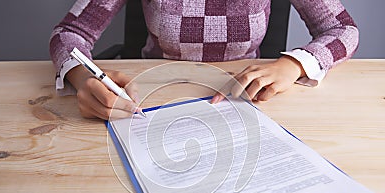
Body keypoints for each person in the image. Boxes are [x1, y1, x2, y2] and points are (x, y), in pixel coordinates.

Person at [50, 0, 358, 120]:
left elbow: (343, 29)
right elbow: (70, 32)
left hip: (248, 102)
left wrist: (295, 65)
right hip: (149, 102)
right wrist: (81, 78)